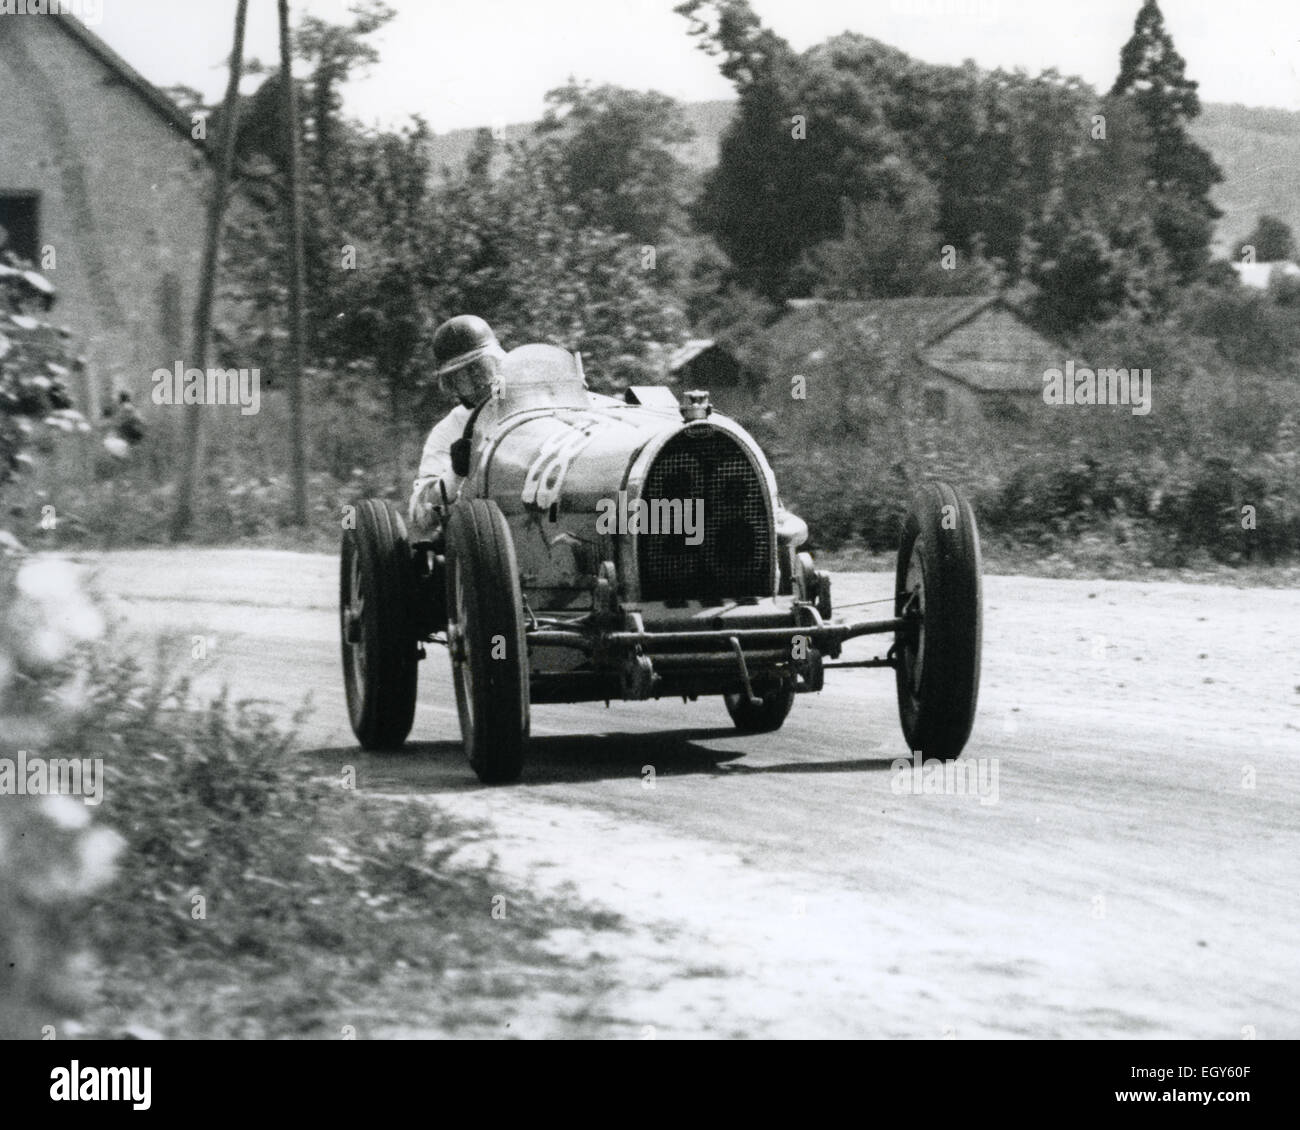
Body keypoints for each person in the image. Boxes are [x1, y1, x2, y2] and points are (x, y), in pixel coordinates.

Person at [408, 315, 505, 538]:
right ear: (452, 384)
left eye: (482, 370)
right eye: (466, 377)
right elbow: (420, 513)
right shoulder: (448, 430)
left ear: (498, 365)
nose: (479, 383)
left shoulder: (535, 408)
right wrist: (455, 473)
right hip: (479, 538)